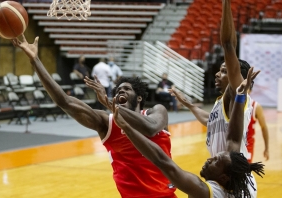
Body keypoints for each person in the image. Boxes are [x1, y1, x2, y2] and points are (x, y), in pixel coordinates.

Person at [12, 36, 177, 198]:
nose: (121, 91)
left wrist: (110, 104)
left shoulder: (157, 111)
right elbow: (65, 101)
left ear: (139, 97)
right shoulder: (107, 123)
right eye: (118, 90)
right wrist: (35, 61)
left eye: (127, 89)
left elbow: (150, 128)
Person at [112, 67, 264, 198]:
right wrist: (240, 96)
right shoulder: (244, 186)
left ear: (223, 178)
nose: (210, 159)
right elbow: (234, 138)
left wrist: (126, 126)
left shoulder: (203, 191)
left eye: (215, 161)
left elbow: (161, 160)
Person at [169, 1, 258, 197]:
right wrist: (189, 104)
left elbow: (228, 45)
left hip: (233, 176)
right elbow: (210, 120)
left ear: (237, 77)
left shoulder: (236, 96)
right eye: (218, 70)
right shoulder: (221, 103)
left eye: (225, 71)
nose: (218, 74)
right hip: (224, 174)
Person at [247, 87, 269, 163]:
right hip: (234, 145)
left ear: (250, 90)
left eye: (246, 88)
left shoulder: (256, 107)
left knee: (243, 171)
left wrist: (266, 148)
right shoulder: (233, 104)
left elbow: (264, 127)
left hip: (247, 146)